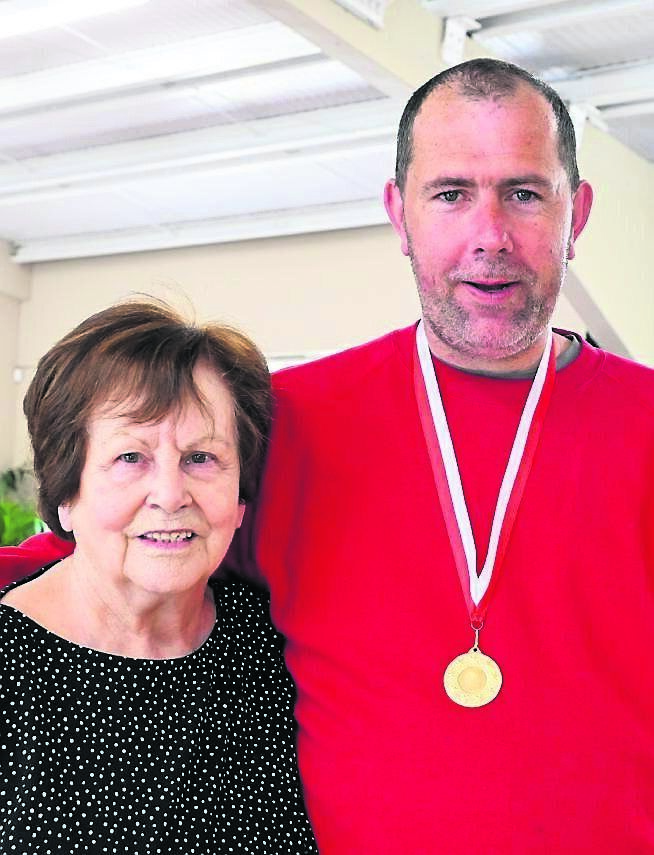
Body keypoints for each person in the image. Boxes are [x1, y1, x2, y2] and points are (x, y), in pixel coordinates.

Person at [3, 58, 654, 853]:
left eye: (525, 192)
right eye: (450, 194)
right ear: (399, 213)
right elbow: (127, 538)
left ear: (576, 213)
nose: (490, 235)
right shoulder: (287, 421)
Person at [0, 302, 317, 854]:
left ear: (241, 499)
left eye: (201, 458)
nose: (171, 495)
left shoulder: (274, 642)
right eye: (130, 457)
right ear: (65, 493)